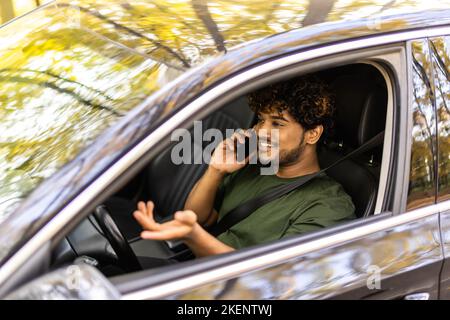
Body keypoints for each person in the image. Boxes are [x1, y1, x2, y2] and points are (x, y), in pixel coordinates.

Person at [133, 75, 356, 258]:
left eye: (277, 123)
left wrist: (194, 236)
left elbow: (274, 277)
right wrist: (215, 170)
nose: (261, 131)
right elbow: (199, 218)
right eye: (260, 120)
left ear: (312, 134)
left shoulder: (329, 205)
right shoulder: (252, 165)